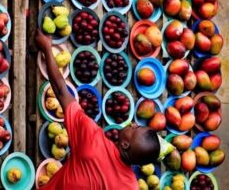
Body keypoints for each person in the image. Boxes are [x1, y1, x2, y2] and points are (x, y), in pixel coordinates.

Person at [36, 30, 160, 190]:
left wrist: (46, 47)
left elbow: (61, 91)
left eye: (136, 129)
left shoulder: (92, 139)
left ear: (125, 144)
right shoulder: (131, 187)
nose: (134, 124)